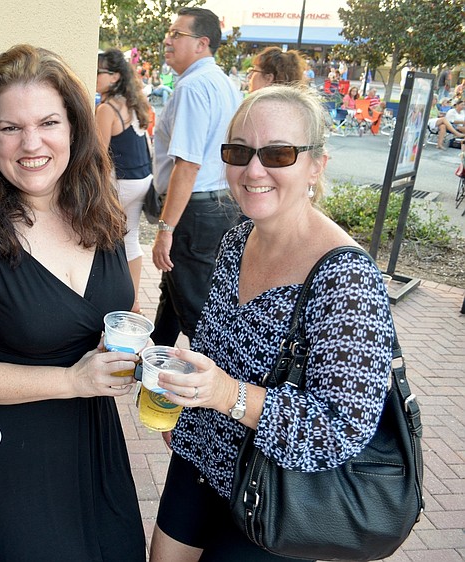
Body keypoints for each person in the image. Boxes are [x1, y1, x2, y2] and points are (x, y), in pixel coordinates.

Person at [149, 84, 395, 560]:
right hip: (199, 461)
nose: (253, 169)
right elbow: (214, 349)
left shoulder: (346, 276)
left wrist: (226, 395)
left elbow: (341, 427)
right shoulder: (237, 239)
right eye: (239, 151)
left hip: (278, 493)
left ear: (316, 166)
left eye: (278, 153)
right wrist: (185, 405)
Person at [0, 44, 146, 561]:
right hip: (12, 455)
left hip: (91, 439)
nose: (31, 144)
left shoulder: (98, 207)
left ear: (74, 128)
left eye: (48, 122)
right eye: (10, 128)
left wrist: (134, 353)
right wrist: (71, 380)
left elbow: (115, 310)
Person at [151, 7, 242, 346]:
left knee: (195, 310)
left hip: (194, 212)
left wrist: (165, 229)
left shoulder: (193, 87)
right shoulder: (223, 83)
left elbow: (187, 166)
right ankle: (154, 364)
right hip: (217, 206)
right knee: (176, 292)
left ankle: (210, 390)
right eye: (169, 33)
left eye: (177, 34)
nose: (167, 40)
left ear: (202, 43)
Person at [96, 48, 154, 313]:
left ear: (115, 76)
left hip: (122, 184)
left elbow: (98, 156)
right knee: (130, 240)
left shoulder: (106, 108)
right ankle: (133, 303)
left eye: (100, 72)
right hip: (143, 180)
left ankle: (110, 299)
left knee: (102, 239)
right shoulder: (133, 102)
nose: (95, 75)